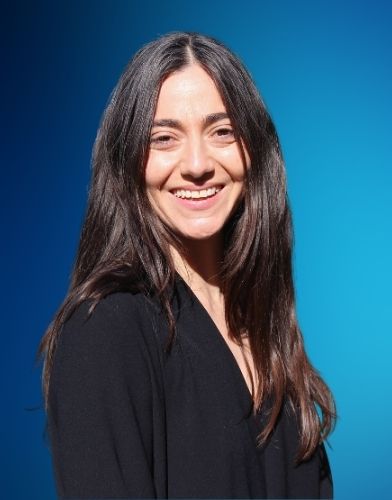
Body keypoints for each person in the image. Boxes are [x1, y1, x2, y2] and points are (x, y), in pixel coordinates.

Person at [38, 33, 335, 498]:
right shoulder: (106, 330)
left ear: (254, 150)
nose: (197, 164)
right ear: (127, 161)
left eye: (222, 132)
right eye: (164, 138)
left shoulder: (265, 332)